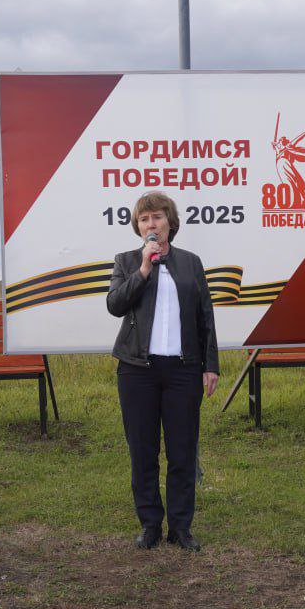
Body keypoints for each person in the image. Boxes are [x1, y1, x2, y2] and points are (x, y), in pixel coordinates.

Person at [106, 192, 219, 551]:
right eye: (144, 219)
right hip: (137, 371)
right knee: (143, 451)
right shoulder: (127, 261)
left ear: (170, 222)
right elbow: (115, 304)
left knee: (182, 451)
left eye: (156, 217)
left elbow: (205, 317)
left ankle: (181, 527)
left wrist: (210, 365)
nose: (150, 224)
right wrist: (143, 269)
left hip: (183, 371)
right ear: (138, 227)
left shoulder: (191, 263)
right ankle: (150, 524)